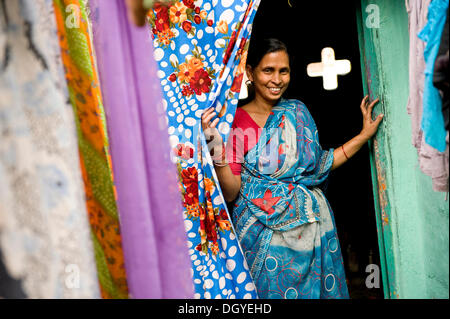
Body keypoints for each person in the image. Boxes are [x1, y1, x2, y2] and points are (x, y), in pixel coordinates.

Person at [201, 38, 384, 299]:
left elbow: (321, 165)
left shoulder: (297, 112)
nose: (277, 79)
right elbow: (231, 192)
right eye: (268, 70)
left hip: (312, 237)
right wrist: (214, 146)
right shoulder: (236, 121)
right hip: (264, 243)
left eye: (283, 71)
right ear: (250, 73)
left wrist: (364, 135)